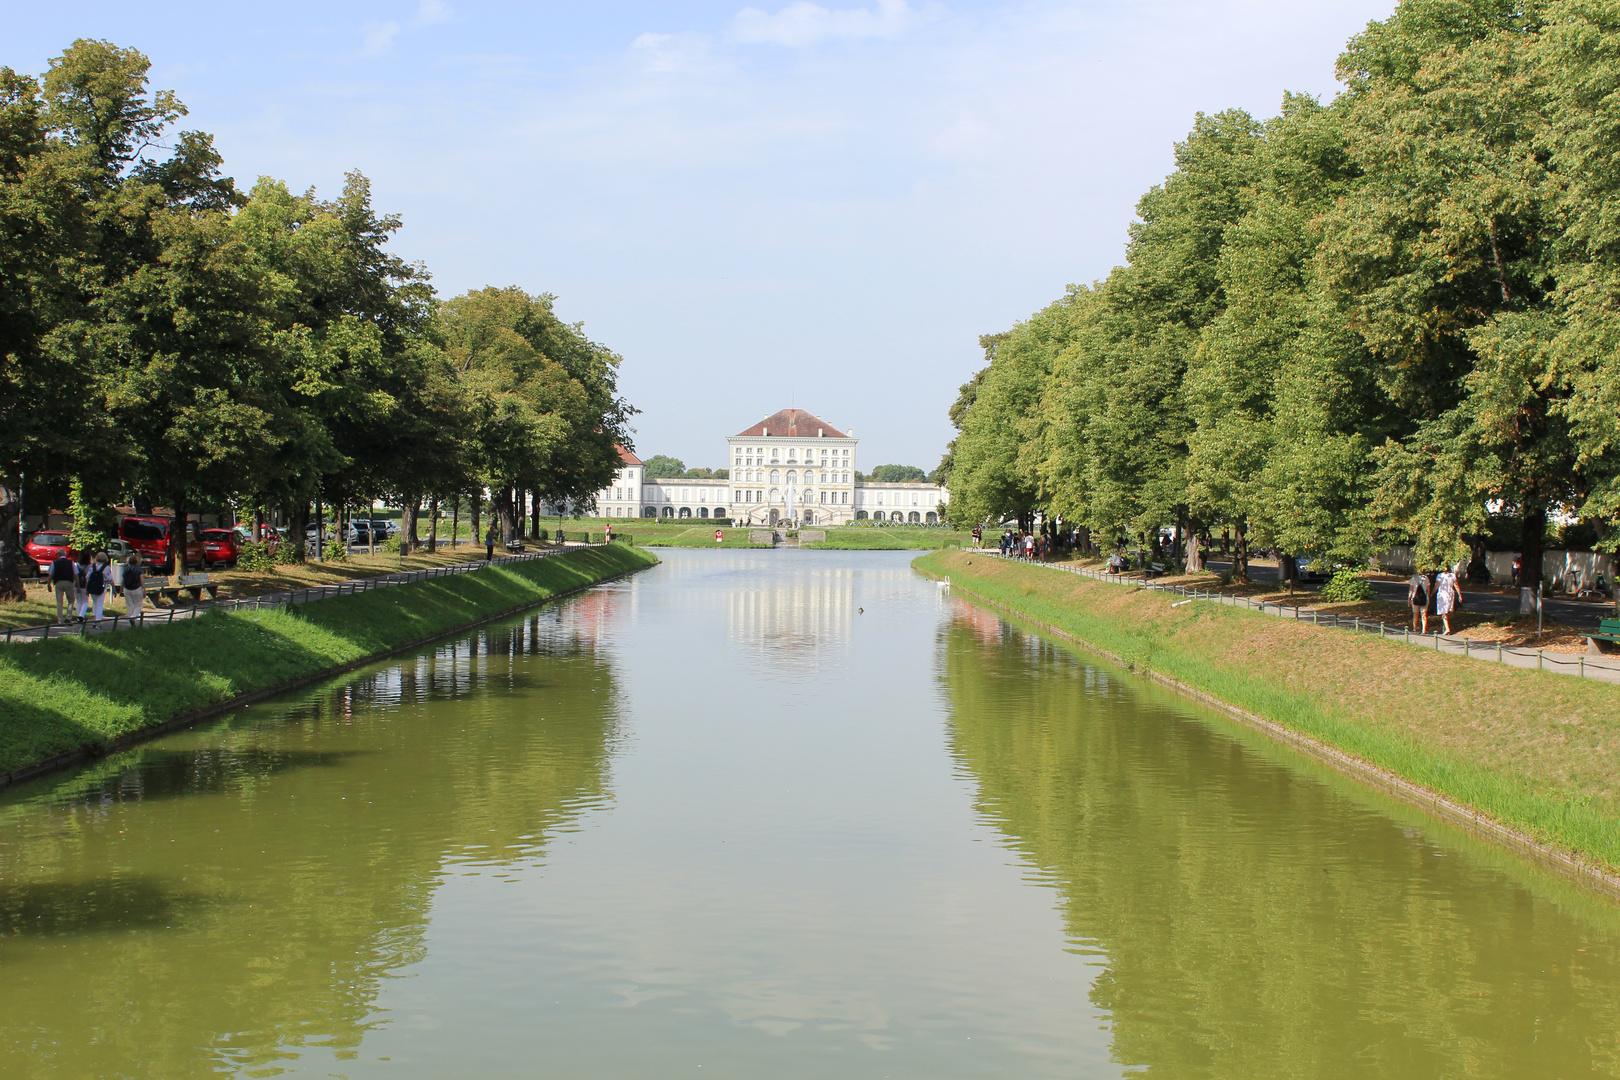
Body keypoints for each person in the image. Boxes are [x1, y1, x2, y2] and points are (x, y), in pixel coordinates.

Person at [49, 548, 77, 624]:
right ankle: (68, 617)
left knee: (59, 601)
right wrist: (77, 584)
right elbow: (75, 574)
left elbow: (50, 574)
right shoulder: (71, 562)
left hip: (58, 582)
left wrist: (48, 584)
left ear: (59, 554)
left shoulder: (54, 563)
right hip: (69, 582)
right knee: (71, 600)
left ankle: (60, 620)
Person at [1434, 566, 1462, 635]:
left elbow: (1436, 586)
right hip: (1450, 594)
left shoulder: (1440, 576)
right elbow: (1456, 585)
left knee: (1444, 611)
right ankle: (1445, 626)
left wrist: (1432, 593)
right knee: (1446, 611)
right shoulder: (1452, 575)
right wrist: (1460, 595)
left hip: (1442, 594)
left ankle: (1447, 628)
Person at [84, 551, 110, 624]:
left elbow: (87, 577)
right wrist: (113, 588)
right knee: (100, 604)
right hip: (102, 587)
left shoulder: (92, 566)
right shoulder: (106, 567)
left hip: (92, 586)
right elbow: (109, 578)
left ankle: (94, 615)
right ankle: (98, 620)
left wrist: (87, 588)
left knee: (95, 601)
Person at [121, 552, 146, 618]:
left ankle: (130, 619)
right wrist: (144, 590)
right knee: (138, 605)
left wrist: (121, 590)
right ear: (136, 562)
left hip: (127, 589)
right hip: (137, 588)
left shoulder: (126, 570)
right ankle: (134, 616)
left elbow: (123, 581)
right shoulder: (138, 569)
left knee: (129, 605)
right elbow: (142, 581)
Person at [1407, 568, 1430, 633]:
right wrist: (1429, 599)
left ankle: (1415, 628)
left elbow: (1411, 590)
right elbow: (1428, 590)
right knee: (1424, 614)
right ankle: (1424, 629)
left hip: (1415, 598)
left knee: (1415, 614)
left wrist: (1409, 599)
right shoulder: (1426, 579)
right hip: (1425, 598)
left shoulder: (1413, 578)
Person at [73, 550, 92, 620]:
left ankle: (78, 615)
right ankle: (81, 615)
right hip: (85, 585)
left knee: (78, 601)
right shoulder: (90, 566)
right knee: (85, 601)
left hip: (76, 584)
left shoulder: (75, 565)